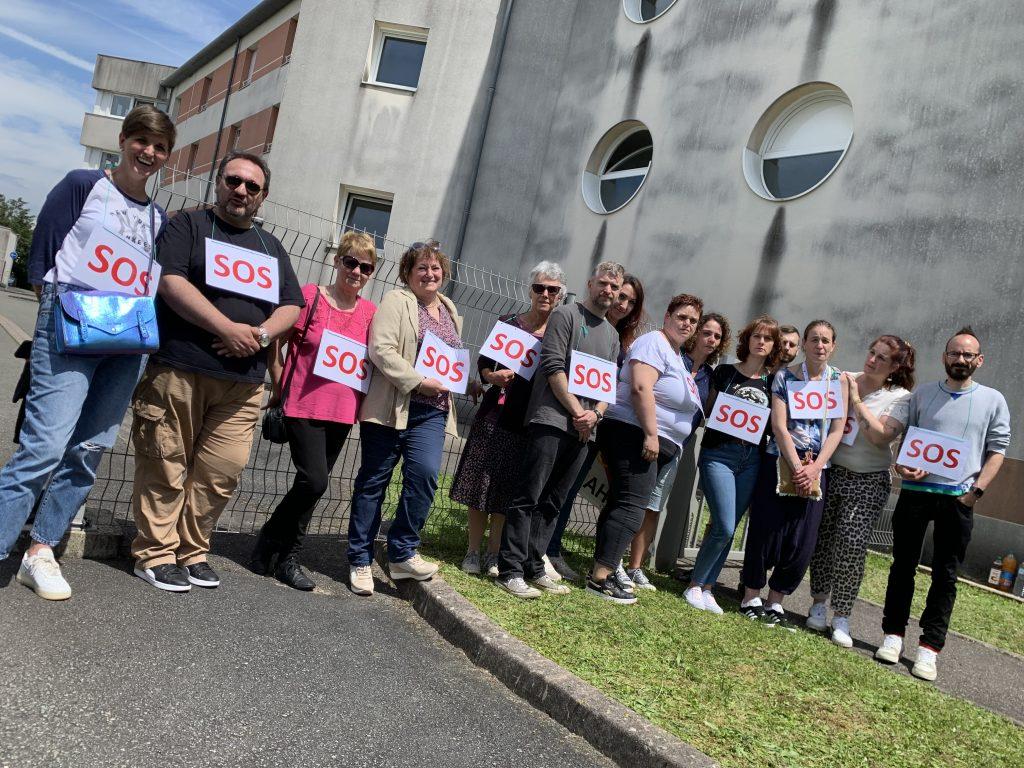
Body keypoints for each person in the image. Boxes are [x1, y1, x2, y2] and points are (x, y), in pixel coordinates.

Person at [0, 106, 175, 600]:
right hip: (71, 325)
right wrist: (55, 319)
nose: (148, 152)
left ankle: (41, 551)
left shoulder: (157, 218)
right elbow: (43, 262)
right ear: (122, 140)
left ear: (167, 156)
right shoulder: (82, 185)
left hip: (126, 341)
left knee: (89, 449)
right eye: (141, 140)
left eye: (159, 147)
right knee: (45, 445)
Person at [131, 151, 303, 592]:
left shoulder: (270, 247)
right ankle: (154, 553)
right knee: (165, 461)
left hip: (242, 384)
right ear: (218, 182)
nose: (240, 191)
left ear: (263, 197)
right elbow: (170, 281)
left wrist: (260, 336)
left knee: (220, 471)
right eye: (233, 180)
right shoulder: (188, 226)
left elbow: (291, 306)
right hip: (180, 370)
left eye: (252, 186)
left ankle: (191, 550)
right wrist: (226, 327)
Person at [875, 327, 1009, 681]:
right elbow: (908, 441)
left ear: (979, 360)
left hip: (958, 500)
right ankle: (893, 635)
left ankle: (929, 649)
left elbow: (997, 452)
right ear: (944, 357)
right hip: (917, 495)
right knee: (902, 565)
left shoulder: (993, 400)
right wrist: (902, 465)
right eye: (955, 353)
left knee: (945, 576)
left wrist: (974, 493)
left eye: (968, 355)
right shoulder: (923, 395)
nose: (960, 359)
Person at [248, 231, 378, 590]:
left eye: (365, 267)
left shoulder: (371, 313)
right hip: (303, 405)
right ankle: (287, 555)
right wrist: (277, 381)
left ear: (371, 274)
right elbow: (277, 338)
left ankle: (272, 548)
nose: (356, 271)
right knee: (315, 481)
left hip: (343, 411)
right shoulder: (311, 298)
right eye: (350, 262)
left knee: (311, 487)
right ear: (337, 261)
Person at [495, 262, 623, 599]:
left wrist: (594, 414)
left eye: (614, 286)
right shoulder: (566, 315)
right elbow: (552, 367)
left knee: (553, 501)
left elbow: (607, 389)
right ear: (590, 283)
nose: (607, 291)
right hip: (551, 419)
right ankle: (509, 570)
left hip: (584, 430)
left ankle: (535, 566)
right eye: (603, 283)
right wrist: (580, 411)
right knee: (529, 495)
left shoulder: (612, 335)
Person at [346, 240, 464, 596]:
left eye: (435, 268)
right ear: (408, 274)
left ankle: (401, 552)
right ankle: (360, 559)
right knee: (373, 483)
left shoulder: (450, 308)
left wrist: (464, 380)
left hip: (432, 413)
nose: (430, 274)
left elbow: (450, 357)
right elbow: (380, 349)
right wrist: (417, 381)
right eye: (421, 269)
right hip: (392, 408)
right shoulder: (397, 301)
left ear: (444, 272)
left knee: (426, 477)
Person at [452, 261, 566, 577]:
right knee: (480, 484)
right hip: (494, 414)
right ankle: (473, 552)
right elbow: (484, 365)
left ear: (560, 295)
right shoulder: (509, 323)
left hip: (528, 421)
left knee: (507, 489)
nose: (545, 294)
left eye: (552, 289)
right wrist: (493, 376)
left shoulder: (559, 334)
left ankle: (493, 554)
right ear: (530, 290)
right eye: (539, 287)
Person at [591, 294, 705, 604]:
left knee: (623, 503)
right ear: (667, 316)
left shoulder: (674, 353)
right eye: (682, 317)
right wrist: (652, 435)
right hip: (634, 432)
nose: (687, 324)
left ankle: (606, 567)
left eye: (693, 321)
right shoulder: (653, 342)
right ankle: (601, 576)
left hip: (651, 439)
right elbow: (641, 387)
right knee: (632, 506)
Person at [739, 320, 849, 629]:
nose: (820, 345)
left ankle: (776, 602)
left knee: (802, 539)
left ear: (833, 345)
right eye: (814, 339)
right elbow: (779, 425)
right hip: (781, 461)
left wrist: (814, 467)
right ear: (804, 344)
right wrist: (798, 466)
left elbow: (837, 429)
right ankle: (751, 596)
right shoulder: (784, 378)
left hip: (818, 466)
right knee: (765, 530)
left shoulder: (839, 381)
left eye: (826, 340)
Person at [806, 336, 914, 646]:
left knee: (851, 545)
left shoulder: (900, 397)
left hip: (867, 479)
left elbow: (882, 436)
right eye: (872, 353)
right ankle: (817, 603)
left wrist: (855, 401)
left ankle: (842, 615)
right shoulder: (843, 378)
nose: (873, 361)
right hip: (832, 471)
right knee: (823, 539)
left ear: (894, 367)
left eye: (882, 358)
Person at [545, 274, 644, 582]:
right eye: (620, 295)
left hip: (606, 423)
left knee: (571, 487)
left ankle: (551, 547)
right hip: (573, 416)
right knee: (561, 485)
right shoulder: (578, 320)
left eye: (630, 300)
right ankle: (547, 548)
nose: (622, 303)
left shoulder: (623, 340)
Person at [624, 307, 727, 590]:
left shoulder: (710, 376)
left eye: (717, 336)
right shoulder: (672, 356)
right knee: (630, 499)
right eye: (706, 332)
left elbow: (709, 412)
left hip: (675, 448)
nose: (710, 339)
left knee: (653, 505)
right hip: (645, 436)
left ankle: (634, 567)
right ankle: (612, 559)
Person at [684, 315, 781, 612]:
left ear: (773, 345)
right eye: (756, 336)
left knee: (729, 526)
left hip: (751, 459)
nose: (761, 342)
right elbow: (706, 409)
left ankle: (709, 587)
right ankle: (694, 584)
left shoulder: (774, 381)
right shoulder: (725, 372)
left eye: (767, 338)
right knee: (724, 525)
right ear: (747, 340)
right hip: (719, 455)